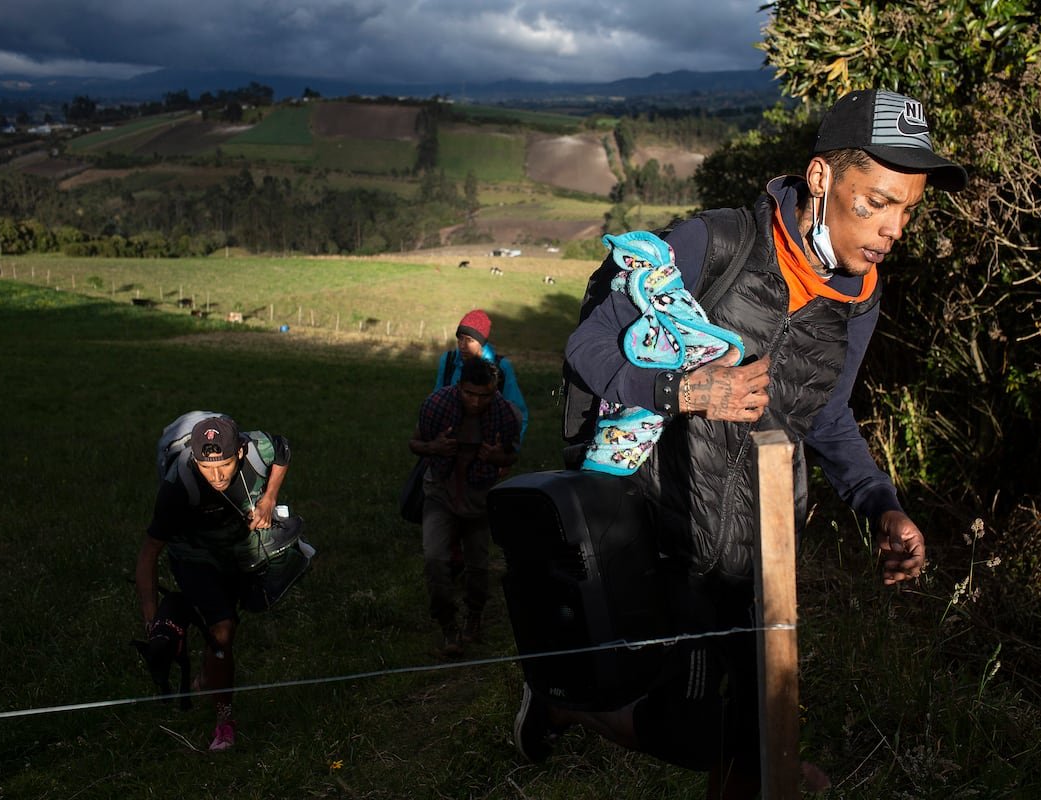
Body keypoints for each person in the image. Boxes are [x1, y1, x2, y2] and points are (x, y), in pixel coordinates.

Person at [513, 89, 966, 797]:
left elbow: (828, 412)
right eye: (875, 202)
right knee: (696, 733)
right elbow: (589, 346)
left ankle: (765, 771)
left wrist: (880, 503)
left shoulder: (862, 291)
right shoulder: (712, 244)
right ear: (822, 178)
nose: (892, 229)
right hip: (668, 528)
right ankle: (566, 703)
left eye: (907, 208)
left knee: (761, 732)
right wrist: (686, 392)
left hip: (764, 551)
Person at [135, 414, 293, 752]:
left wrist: (268, 498)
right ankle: (224, 722)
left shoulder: (258, 447)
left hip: (235, 547)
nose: (217, 477)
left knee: (227, 624)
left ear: (238, 452)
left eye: (223, 465)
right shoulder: (178, 486)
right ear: (195, 459)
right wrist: (151, 620)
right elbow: (148, 554)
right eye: (207, 468)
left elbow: (283, 450)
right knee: (223, 628)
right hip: (192, 554)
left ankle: (207, 677)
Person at [410, 357, 520, 656]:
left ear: (494, 391)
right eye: (470, 394)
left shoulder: (506, 415)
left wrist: (496, 457)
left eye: (484, 395)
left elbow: (511, 457)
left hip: (479, 499)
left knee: (478, 566)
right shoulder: (436, 405)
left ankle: (474, 617)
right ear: (459, 387)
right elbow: (415, 443)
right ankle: (447, 625)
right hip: (439, 493)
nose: (476, 401)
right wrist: (434, 448)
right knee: (434, 560)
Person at [434, 309, 528, 446]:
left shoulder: (500, 367)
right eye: (460, 338)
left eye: (470, 340)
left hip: (488, 442)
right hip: (450, 439)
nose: (462, 345)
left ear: (482, 343)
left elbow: (518, 413)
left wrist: (509, 449)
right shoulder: (449, 361)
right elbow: (437, 400)